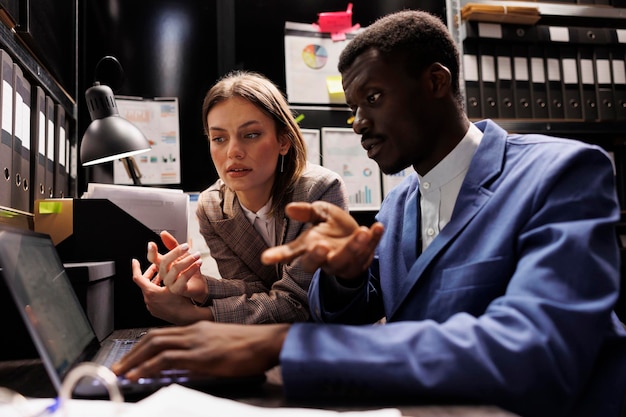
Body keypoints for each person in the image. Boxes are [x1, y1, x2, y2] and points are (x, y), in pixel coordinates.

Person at [113, 10, 626, 417]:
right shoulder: (402, 200)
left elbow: (535, 350)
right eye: (353, 105)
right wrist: (345, 278)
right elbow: (358, 308)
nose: (358, 123)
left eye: (373, 98)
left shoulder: (562, 173)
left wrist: (281, 343)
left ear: (435, 82)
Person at [132, 70, 348, 324]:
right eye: (219, 138)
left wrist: (197, 316)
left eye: (251, 135)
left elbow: (298, 303)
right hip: (267, 341)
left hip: (332, 340)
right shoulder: (212, 207)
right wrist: (201, 288)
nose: (233, 152)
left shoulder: (319, 191)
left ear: (284, 142)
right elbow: (254, 290)